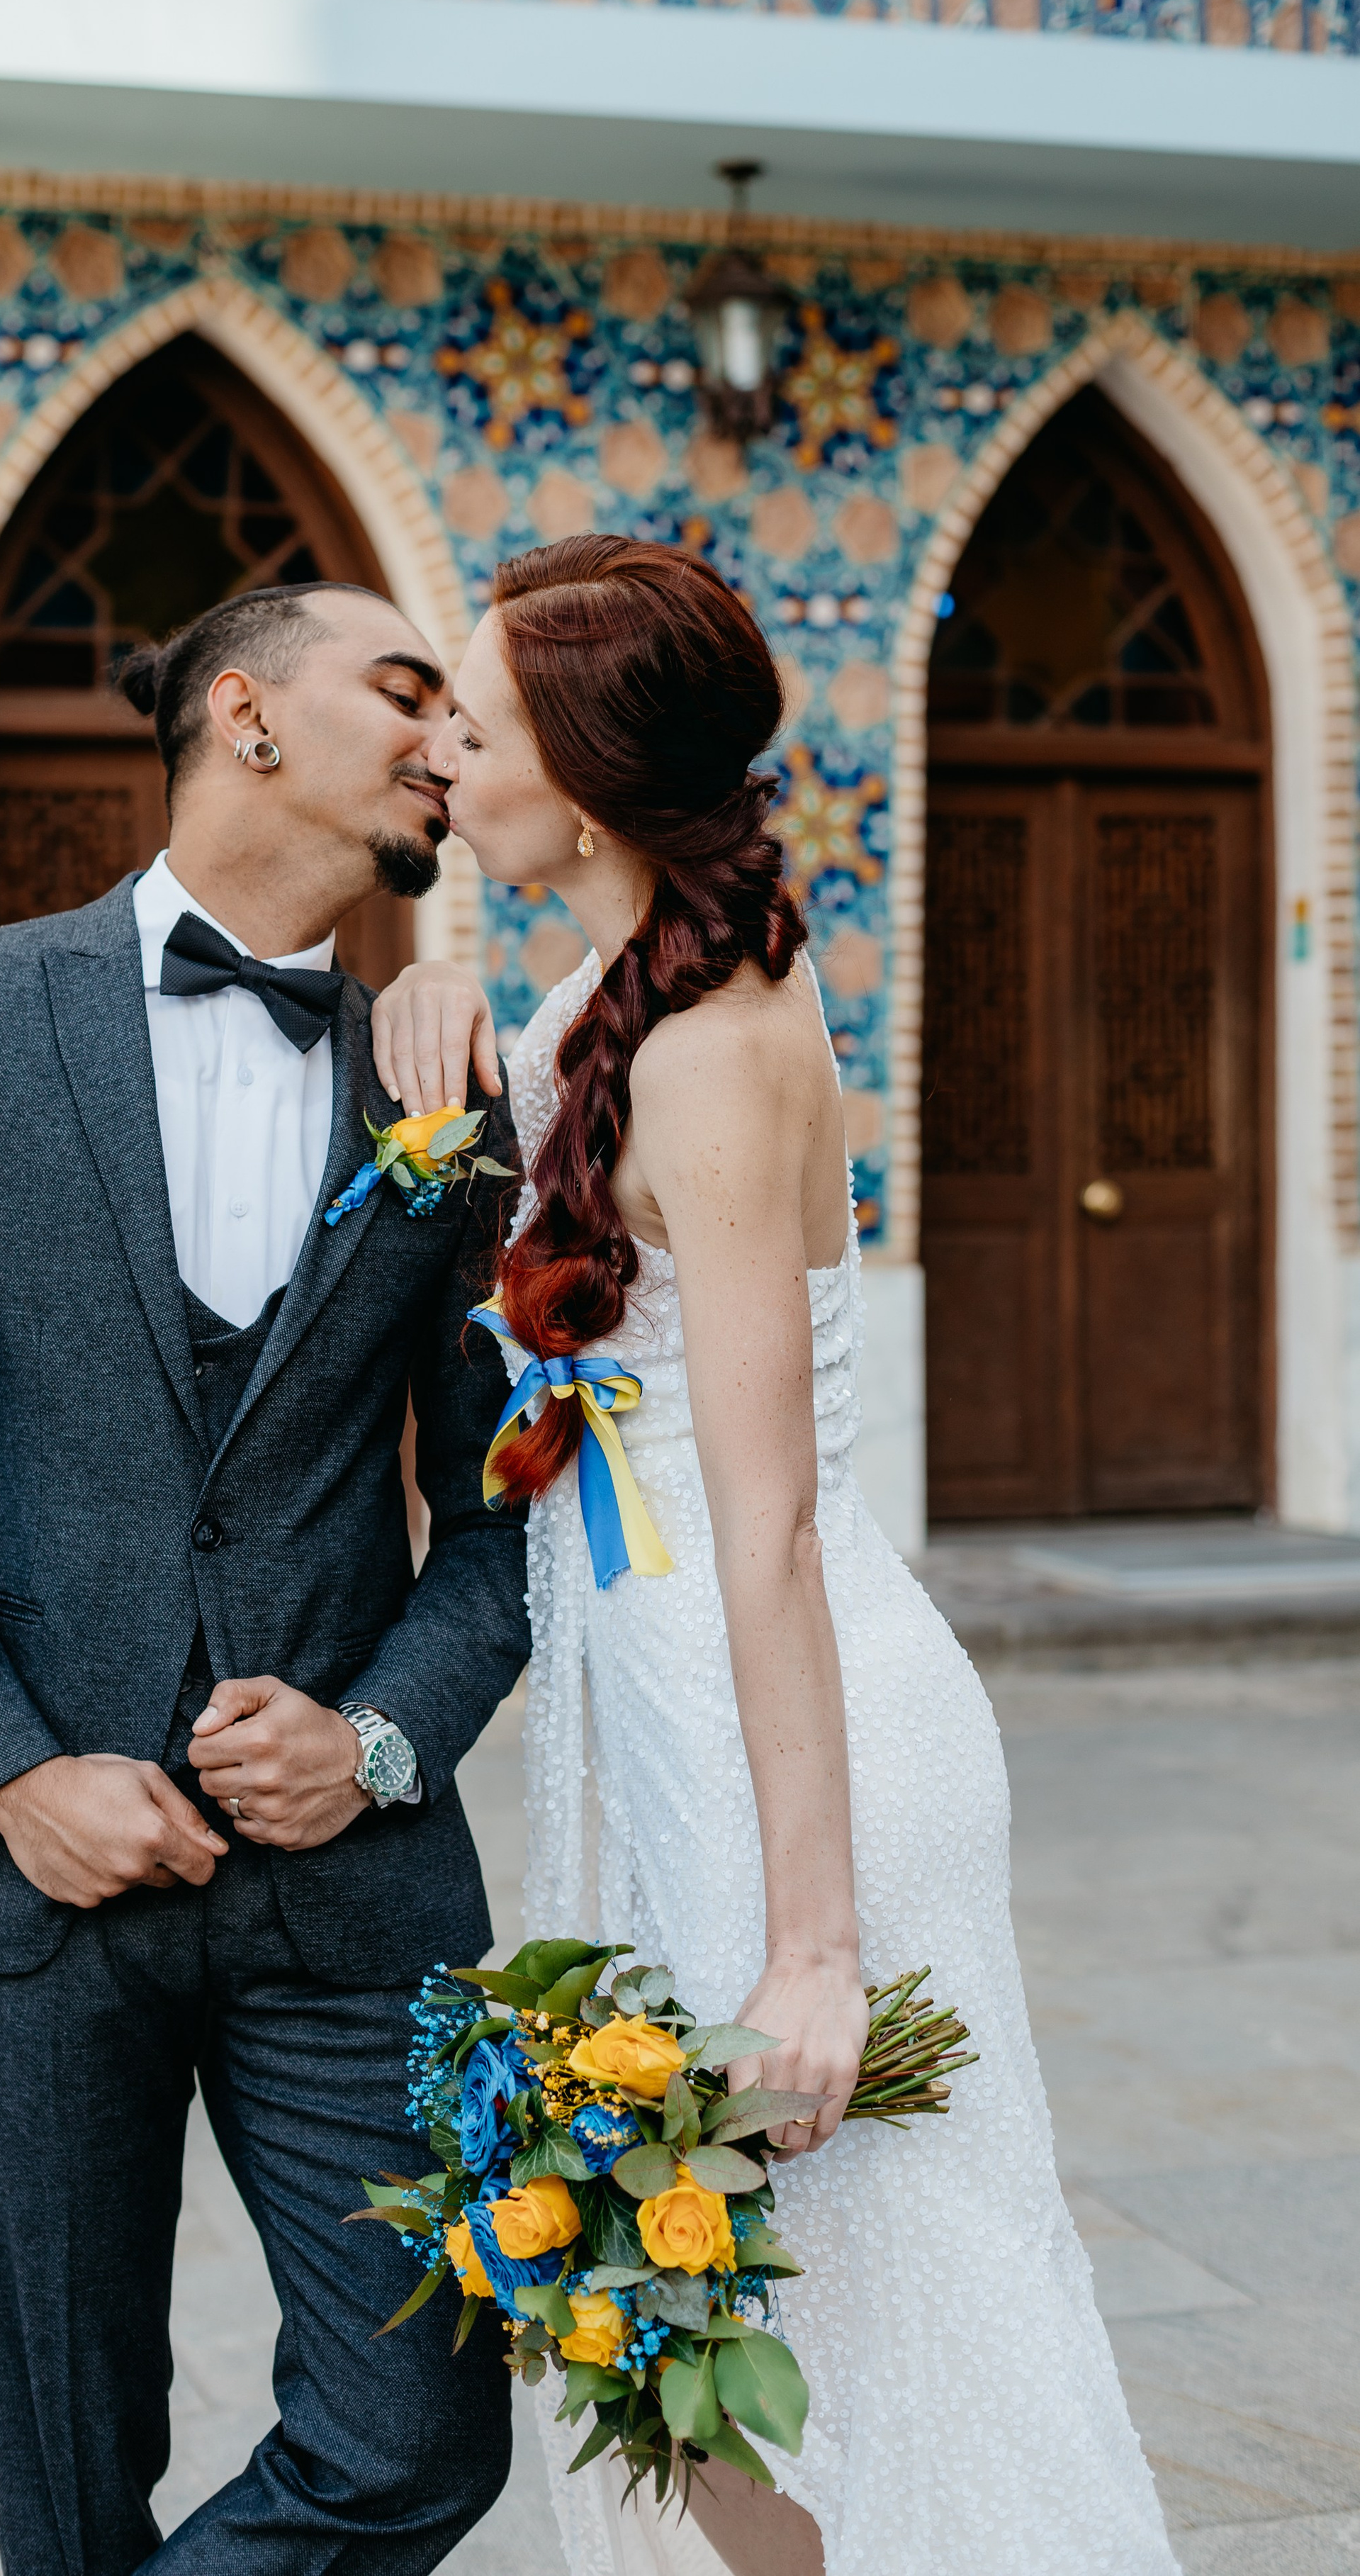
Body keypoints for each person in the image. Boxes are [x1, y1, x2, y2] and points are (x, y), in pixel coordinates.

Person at [368, 535, 1179, 2576]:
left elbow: (777, 1517)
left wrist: (814, 1946)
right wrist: (447, 998)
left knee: (838, 2328)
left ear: (586, 774)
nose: (446, 750)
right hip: (649, 1703)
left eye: (478, 717)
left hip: (774, 1729)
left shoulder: (716, 1043)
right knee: (676, 2319)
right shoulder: (611, 988)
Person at [0, 581, 528, 2576]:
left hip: (347, 1904)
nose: (452, 744)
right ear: (249, 718)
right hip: (25, 1891)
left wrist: (378, 1738)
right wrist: (13, 1773)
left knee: (421, 2431)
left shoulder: (444, 1084)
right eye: (409, 695)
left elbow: (509, 1505)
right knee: (70, 2475)